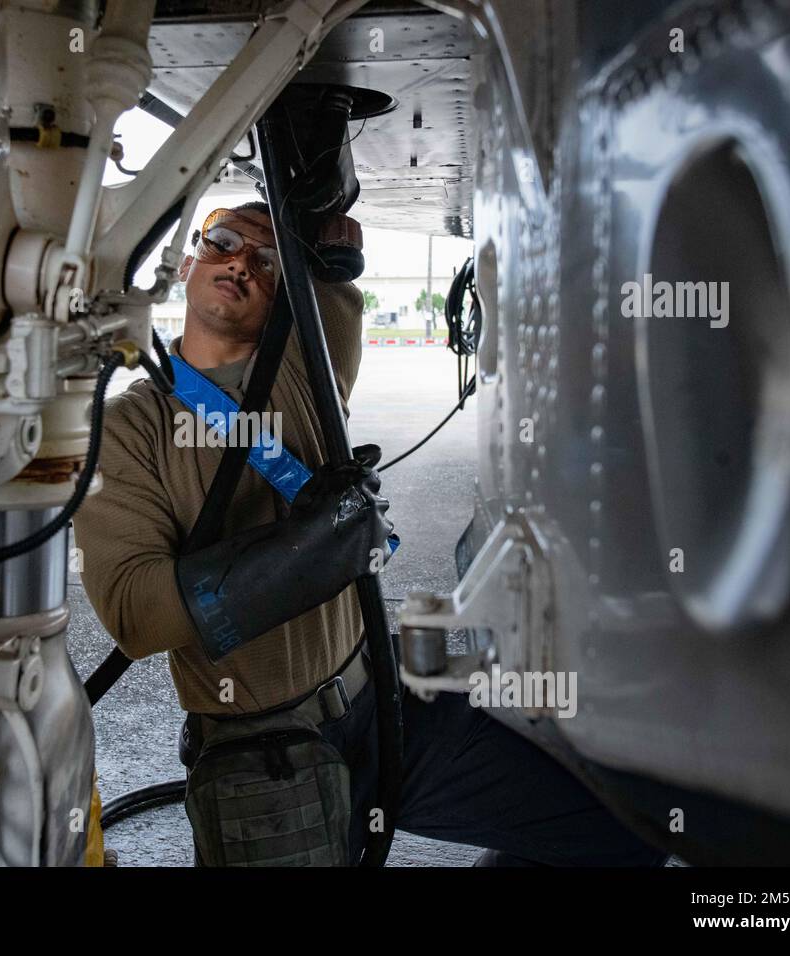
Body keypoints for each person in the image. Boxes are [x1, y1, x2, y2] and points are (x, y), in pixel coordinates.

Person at [73, 201, 667, 867]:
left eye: (267, 259)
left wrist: (326, 224)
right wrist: (306, 548)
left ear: (287, 290)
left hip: (383, 702)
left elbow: (322, 215)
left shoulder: (307, 375)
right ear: (188, 263)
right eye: (224, 242)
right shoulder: (129, 427)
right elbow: (136, 617)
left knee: (615, 829)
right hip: (263, 747)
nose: (241, 261)